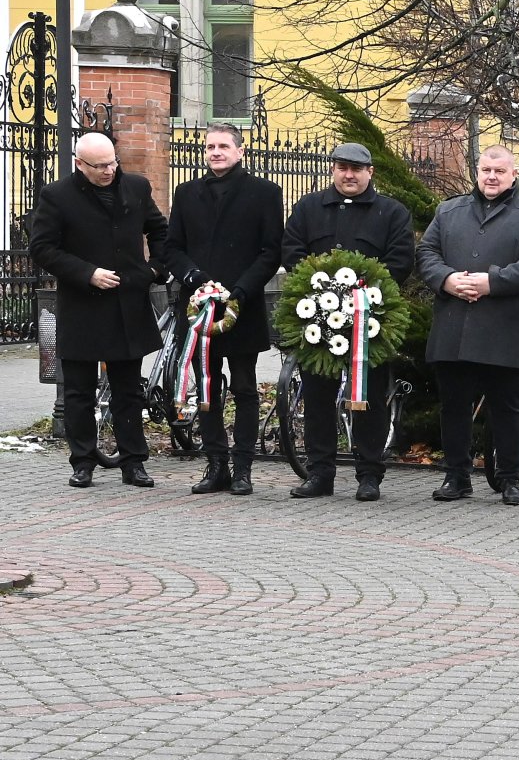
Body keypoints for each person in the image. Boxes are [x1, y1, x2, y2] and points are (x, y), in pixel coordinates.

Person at [417, 144, 519, 505]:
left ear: (514, 174)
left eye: (499, 170)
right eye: (485, 170)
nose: (492, 176)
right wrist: (448, 280)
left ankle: (511, 478)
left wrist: (490, 282)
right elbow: (426, 253)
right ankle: (456, 476)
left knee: (508, 409)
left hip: (506, 329)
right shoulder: (449, 211)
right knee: (454, 407)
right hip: (455, 327)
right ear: (477, 172)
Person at [29, 132, 169, 489]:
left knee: (128, 390)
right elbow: (43, 248)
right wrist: (87, 273)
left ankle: (133, 462)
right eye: (100, 165)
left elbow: (160, 232)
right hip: (82, 306)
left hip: (127, 303)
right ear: (80, 164)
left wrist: (153, 271)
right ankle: (83, 461)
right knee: (79, 391)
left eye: (112, 162)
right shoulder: (57, 196)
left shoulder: (136, 187)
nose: (109, 170)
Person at [282, 142, 417, 501]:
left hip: (369, 322)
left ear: (370, 172)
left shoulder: (391, 212)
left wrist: (364, 295)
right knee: (317, 397)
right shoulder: (309, 208)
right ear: (333, 170)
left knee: (369, 398)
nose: (349, 174)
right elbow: (293, 251)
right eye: (342, 167)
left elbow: (400, 261)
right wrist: (318, 289)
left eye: (356, 169)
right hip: (318, 320)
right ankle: (320, 473)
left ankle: (369, 475)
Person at [162, 123, 284, 497]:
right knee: (206, 387)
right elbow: (172, 247)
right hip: (197, 308)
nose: (216, 152)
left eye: (223, 146)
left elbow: (270, 251)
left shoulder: (265, 193)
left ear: (240, 151)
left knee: (245, 387)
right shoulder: (186, 193)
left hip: (241, 306)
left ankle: (244, 467)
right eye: (210, 146)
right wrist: (195, 278)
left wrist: (241, 291)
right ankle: (216, 465)